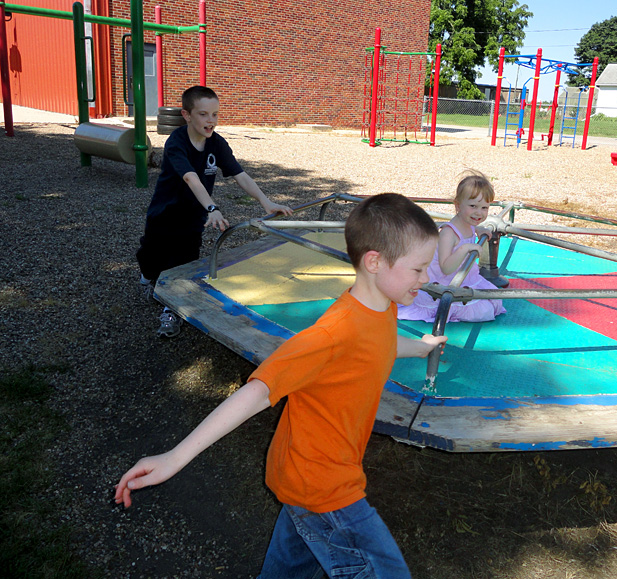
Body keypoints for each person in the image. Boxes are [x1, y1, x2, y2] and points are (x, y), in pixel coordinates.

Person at [115, 193, 448, 578]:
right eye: (419, 269)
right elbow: (257, 391)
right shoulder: (331, 335)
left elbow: (381, 345)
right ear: (375, 262)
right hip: (325, 486)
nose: (427, 280)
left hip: (305, 475)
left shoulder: (383, 306)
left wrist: (420, 348)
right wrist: (175, 457)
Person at [136, 85, 293, 338]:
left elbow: (240, 175)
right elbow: (190, 178)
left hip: (192, 218)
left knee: (183, 262)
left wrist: (266, 201)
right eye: (203, 114)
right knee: (151, 255)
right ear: (186, 115)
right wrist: (213, 207)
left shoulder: (217, 144)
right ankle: (147, 278)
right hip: (164, 214)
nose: (211, 121)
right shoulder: (176, 142)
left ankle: (171, 309)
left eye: (215, 115)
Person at [398, 170, 506, 323]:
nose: (479, 213)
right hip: (443, 283)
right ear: (458, 205)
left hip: (463, 277)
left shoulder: (468, 225)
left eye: (484, 208)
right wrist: (464, 249)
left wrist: (478, 229)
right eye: (473, 206)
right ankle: (452, 309)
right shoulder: (448, 234)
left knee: (495, 301)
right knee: (484, 311)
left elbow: (470, 229)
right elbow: (446, 268)